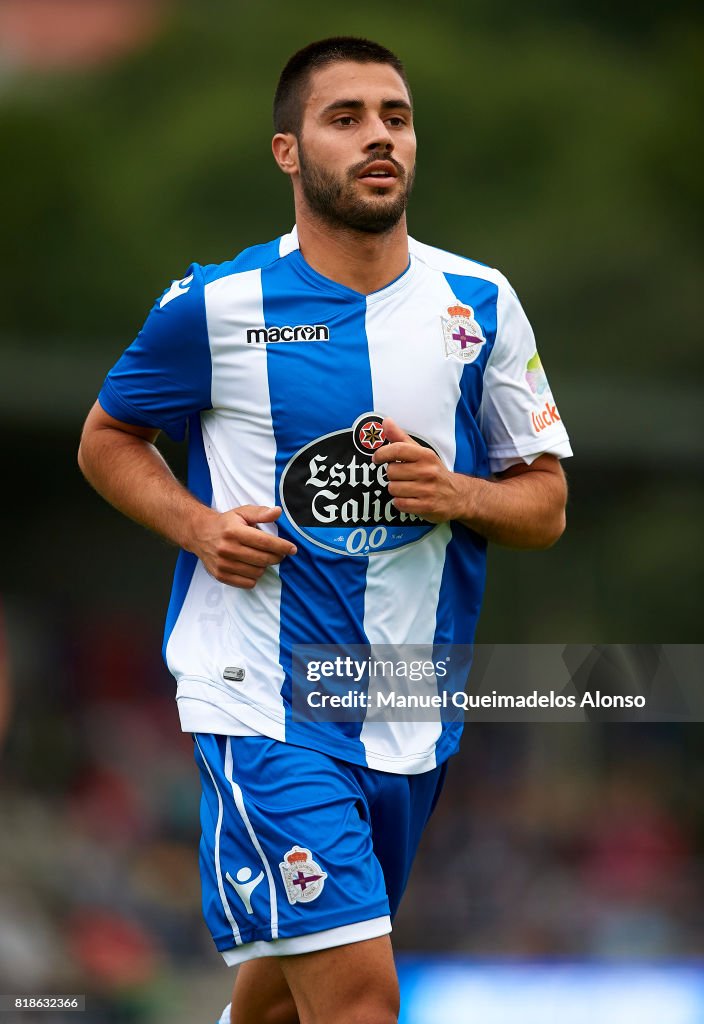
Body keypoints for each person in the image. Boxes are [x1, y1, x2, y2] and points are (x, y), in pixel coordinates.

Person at [78, 35, 571, 1024]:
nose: (377, 136)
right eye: (344, 118)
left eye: (393, 116)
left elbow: (543, 505)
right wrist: (197, 525)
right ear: (288, 153)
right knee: (357, 997)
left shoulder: (477, 303)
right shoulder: (218, 306)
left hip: (404, 705)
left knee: (277, 995)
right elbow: (107, 439)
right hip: (262, 701)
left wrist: (456, 493)